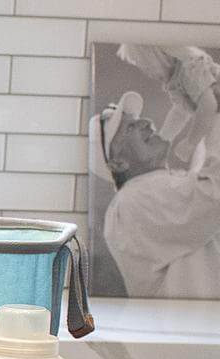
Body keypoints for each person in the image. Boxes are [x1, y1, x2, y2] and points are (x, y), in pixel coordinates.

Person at [89, 91, 220, 299]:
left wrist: (206, 112)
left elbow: (205, 177)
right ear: (118, 163)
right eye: (130, 127)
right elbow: (214, 194)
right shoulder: (133, 199)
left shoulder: (157, 189)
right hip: (188, 329)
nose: (147, 123)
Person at [117, 45, 220, 163]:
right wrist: (162, 138)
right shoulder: (175, 80)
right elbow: (181, 111)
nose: (146, 72)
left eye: (146, 66)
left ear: (159, 58)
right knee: (210, 153)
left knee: (212, 154)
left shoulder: (188, 68)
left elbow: (208, 106)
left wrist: (190, 142)